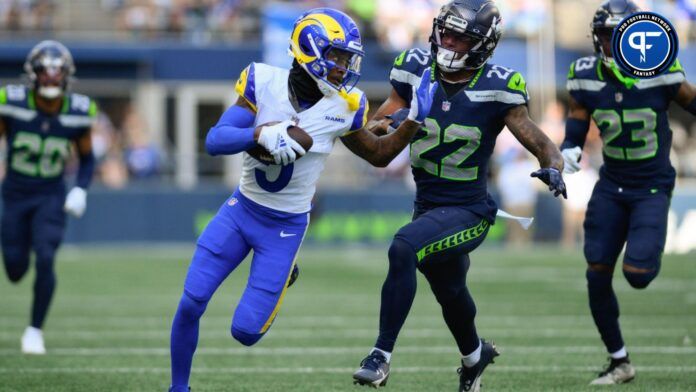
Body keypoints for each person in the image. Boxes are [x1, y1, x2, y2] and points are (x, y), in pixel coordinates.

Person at [168, 8, 438, 392]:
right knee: (191, 301)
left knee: (245, 332)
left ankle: (283, 276)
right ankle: (178, 388)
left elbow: (378, 155)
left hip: (285, 226)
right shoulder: (263, 82)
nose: (345, 68)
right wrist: (260, 134)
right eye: (338, 57)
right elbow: (215, 140)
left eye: (348, 60)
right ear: (310, 50)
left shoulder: (346, 106)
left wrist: (411, 122)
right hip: (241, 210)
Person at [352, 1, 566, 391]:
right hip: (427, 206)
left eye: (460, 37)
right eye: (444, 32)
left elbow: (535, 137)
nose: (447, 42)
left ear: (483, 45)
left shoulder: (498, 85)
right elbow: (381, 125)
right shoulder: (414, 67)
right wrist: (385, 123)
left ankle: (381, 355)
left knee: (403, 247)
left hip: (469, 210)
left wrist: (553, 164)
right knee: (450, 290)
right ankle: (474, 356)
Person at [561, 0, 696, 385]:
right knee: (596, 272)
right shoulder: (584, 75)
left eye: (622, 37)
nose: (612, 45)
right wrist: (570, 147)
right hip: (611, 183)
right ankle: (620, 360)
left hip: (651, 185)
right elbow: (577, 119)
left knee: (637, 274)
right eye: (607, 36)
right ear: (596, 39)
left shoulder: (663, 73)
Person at [0, 40, 97, 354]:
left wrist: (81, 188)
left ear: (67, 75)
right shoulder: (12, 102)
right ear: (33, 74)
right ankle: (23, 242)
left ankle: (34, 330)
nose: (51, 78)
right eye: (45, 71)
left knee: (45, 257)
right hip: (14, 194)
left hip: (49, 196)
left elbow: (87, 158)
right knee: (15, 270)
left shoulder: (79, 112)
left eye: (57, 72)